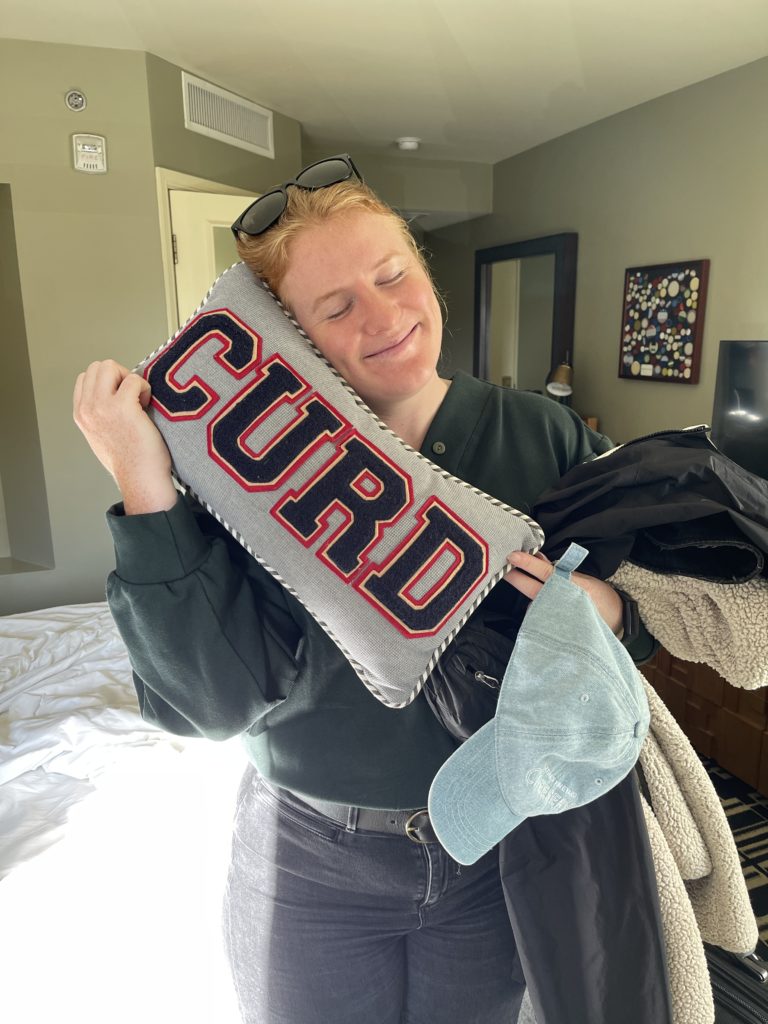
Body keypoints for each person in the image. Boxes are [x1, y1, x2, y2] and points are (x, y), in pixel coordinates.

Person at [73, 154, 646, 1024]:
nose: (384, 318)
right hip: (306, 862)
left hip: (493, 849)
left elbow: (647, 621)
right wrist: (142, 480)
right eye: (336, 306)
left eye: (393, 276)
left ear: (426, 274)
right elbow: (207, 706)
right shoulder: (250, 468)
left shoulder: (542, 435)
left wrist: (603, 613)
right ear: (291, 336)